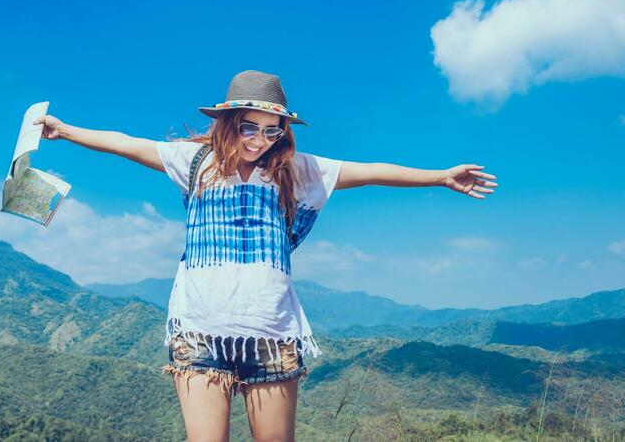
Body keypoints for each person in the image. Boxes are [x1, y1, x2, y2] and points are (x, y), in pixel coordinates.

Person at [36, 69, 498, 442]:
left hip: (272, 333)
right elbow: (126, 143)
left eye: (272, 131)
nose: (260, 140)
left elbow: (372, 170)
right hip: (199, 329)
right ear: (229, 121)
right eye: (250, 127)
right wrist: (67, 130)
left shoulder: (297, 170)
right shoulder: (193, 162)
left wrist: (439, 176)